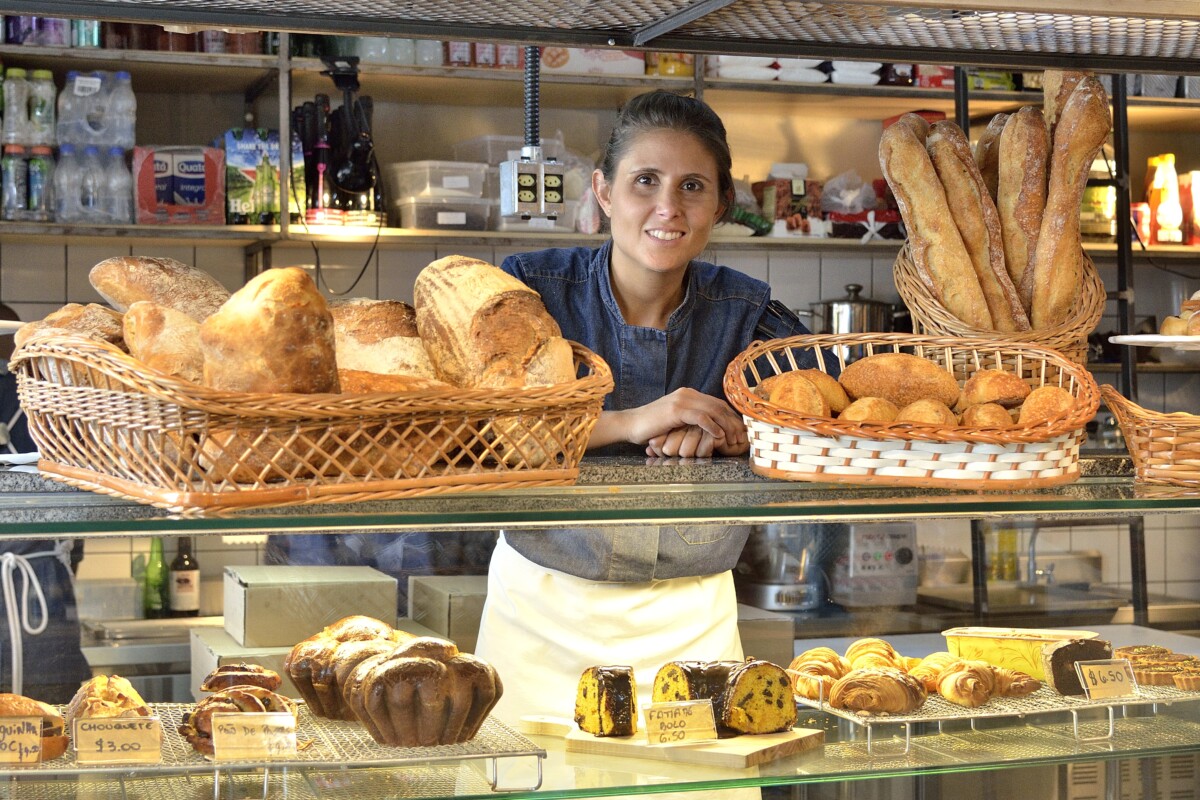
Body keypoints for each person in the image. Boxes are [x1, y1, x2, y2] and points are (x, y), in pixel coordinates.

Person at [475, 90, 817, 725]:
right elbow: (482, 431)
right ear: (604, 192)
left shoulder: (747, 313)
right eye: (645, 181)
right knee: (537, 776)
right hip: (543, 613)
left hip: (692, 621)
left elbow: (827, 417)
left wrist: (740, 432)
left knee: (688, 778)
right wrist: (636, 421)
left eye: (692, 186)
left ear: (721, 204)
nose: (668, 207)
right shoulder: (532, 291)